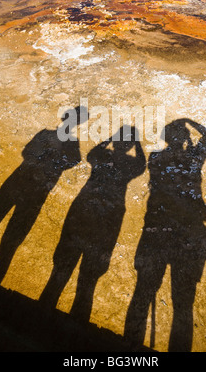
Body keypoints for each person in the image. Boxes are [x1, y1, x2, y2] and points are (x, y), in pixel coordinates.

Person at [0, 106, 87, 285]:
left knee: (8, 244)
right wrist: (48, 157)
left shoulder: (71, 144)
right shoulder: (50, 136)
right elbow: (27, 153)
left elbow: (72, 161)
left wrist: (46, 157)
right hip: (19, 187)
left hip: (29, 193)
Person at [39, 126, 146, 323]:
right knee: (87, 282)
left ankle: (40, 322)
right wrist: (137, 143)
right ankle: (76, 334)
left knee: (60, 272)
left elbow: (91, 155)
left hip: (83, 210)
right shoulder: (129, 164)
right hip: (108, 218)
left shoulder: (103, 155)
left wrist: (110, 138)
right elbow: (142, 165)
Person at [124, 118, 206, 352]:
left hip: (157, 228)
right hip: (186, 233)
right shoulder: (193, 159)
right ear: (185, 138)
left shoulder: (156, 158)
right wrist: (188, 122)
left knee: (143, 292)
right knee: (183, 304)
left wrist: (182, 128)